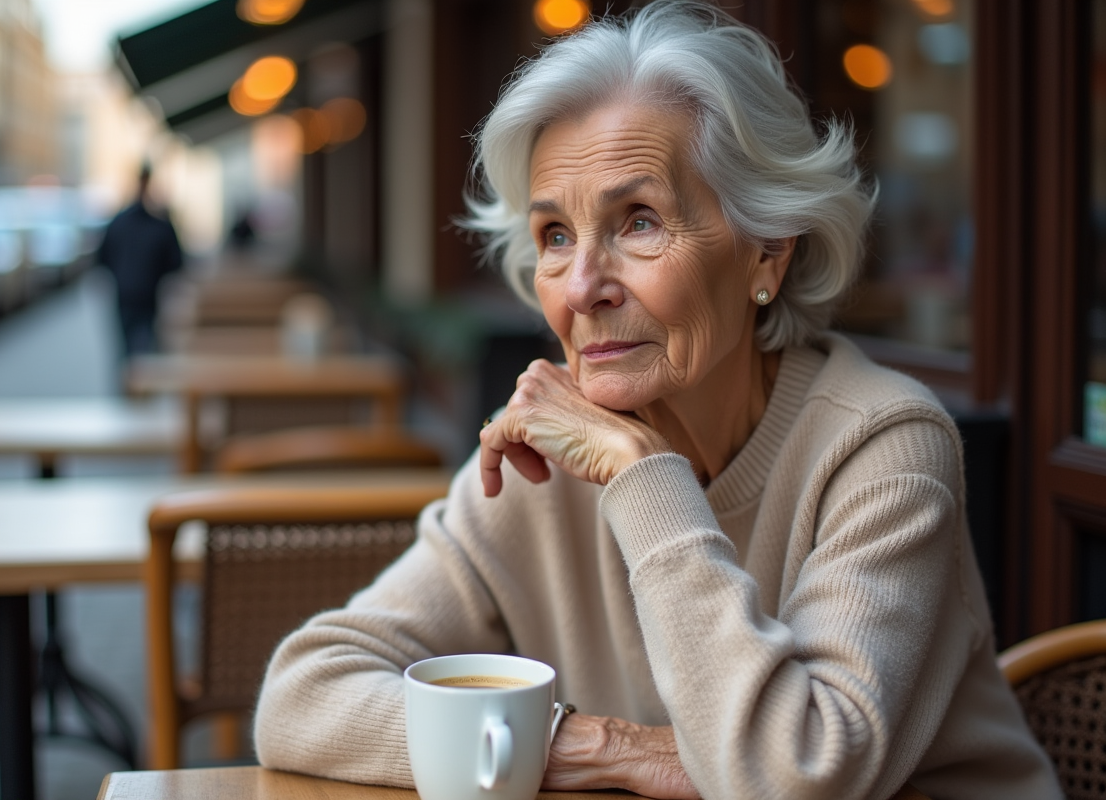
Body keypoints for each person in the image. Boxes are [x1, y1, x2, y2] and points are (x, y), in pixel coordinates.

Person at [253, 3, 1060, 798]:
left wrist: (646, 480)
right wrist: (603, 747)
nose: (581, 287)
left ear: (767, 252)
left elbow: (793, 773)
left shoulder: (886, 448)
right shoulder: (551, 459)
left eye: (638, 222)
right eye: (555, 236)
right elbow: (302, 696)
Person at [96, 164, 182, 358]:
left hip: (128, 294)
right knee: (143, 350)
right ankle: (135, 384)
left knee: (129, 350)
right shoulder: (159, 224)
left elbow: (102, 259)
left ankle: (128, 385)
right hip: (145, 295)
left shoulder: (118, 223)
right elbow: (176, 262)